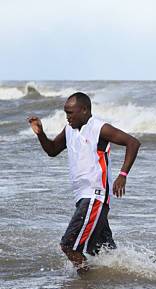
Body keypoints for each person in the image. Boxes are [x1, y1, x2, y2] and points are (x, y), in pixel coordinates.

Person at [28, 92, 141, 275]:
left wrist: (123, 175)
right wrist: (40, 134)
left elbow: (132, 143)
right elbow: (52, 150)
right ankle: (129, 278)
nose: (68, 117)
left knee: (69, 245)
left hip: (94, 196)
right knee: (104, 253)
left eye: (71, 113)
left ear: (85, 110)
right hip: (82, 198)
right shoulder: (69, 130)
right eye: (66, 113)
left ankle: (86, 286)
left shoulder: (99, 128)